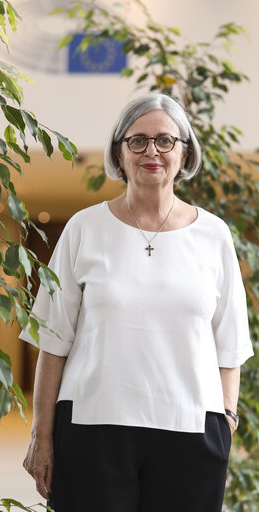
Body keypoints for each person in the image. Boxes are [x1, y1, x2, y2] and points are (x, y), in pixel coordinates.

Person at [20, 93, 254, 512]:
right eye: (138, 140)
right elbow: (52, 342)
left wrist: (227, 420)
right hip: (92, 428)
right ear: (119, 152)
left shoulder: (214, 236)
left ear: (185, 153)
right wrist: (42, 435)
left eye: (166, 141)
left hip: (191, 434)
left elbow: (230, 347)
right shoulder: (83, 229)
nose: (152, 151)